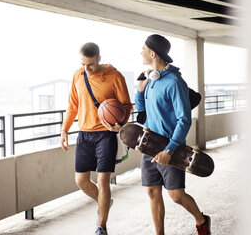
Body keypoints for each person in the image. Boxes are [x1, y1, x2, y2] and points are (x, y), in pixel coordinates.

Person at [135, 34, 211, 235]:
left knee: (176, 195)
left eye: (143, 48)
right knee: (152, 192)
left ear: (153, 53)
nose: (140, 52)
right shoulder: (152, 79)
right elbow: (142, 112)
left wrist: (169, 149)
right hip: (149, 145)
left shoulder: (175, 82)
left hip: (171, 146)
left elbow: (184, 120)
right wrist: (140, 91)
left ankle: (201, 220)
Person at [60, 42, 132, 235]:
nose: (86, 69)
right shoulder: (78, 75)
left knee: (102, 181)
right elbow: (72, 105)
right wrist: (64, 129)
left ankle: (102, 227)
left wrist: (121, 123)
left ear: (99, 59)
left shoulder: (115, 76)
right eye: (83, 64)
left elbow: (126, 105)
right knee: (81, 181)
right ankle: (105, 202)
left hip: (105, 135)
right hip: (84, 134)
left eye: (90, 64)